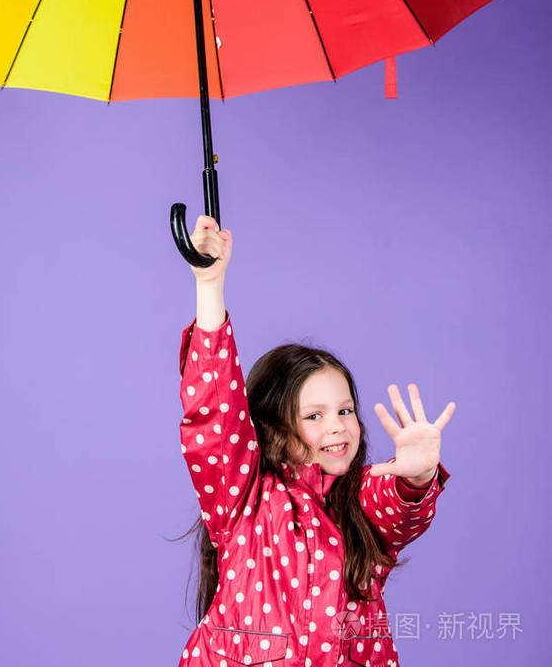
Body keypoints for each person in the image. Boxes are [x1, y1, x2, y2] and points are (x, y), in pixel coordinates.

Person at [176, 215, 455, 667]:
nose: (337, 426)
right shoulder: (241, 501)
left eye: (345, 411)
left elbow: (396, 506)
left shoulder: (362, 502)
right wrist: (209, 286)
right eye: (314, 416)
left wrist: (418, 479)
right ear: (273, 429)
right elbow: (213, 413)